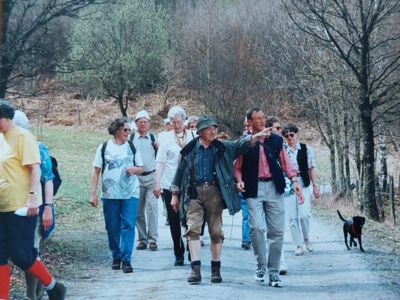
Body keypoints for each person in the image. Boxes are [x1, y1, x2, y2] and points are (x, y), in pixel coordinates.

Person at [170, 115, 269, 284]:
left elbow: (240, 145)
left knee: (216, 232)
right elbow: (179, 173)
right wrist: (174, 194)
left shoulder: (222, 147)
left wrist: (254, 138)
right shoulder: (189, 149)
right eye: (209, 128)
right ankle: (195, 269)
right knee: (192, 230)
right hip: (193, 193)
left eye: (214, 127)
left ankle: (216, 269)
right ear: (200, 131)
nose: (213, 131)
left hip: (215, 193)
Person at [0, 101, 66, 300]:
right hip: (1, 206)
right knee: (0, 255)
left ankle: (54, 287)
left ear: (4, 117)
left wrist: (33, 198)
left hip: (21, 207)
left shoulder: (22, 137)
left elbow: (35, 169)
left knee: (22, 255)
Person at [234, 108, 303, 288]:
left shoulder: (276, 140)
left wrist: (295, 181)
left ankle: (273, 273)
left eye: (264, 117)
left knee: (277, 231)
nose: (263, 121)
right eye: (258, 119)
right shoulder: (244, 143)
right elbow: (237, 167)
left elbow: (286, 163)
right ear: (249, 122)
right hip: (253, 187)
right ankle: (260, 266)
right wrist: (239, 181)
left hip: (274, 187)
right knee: (256, 228)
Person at [89, 117, 143, 273]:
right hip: (110, 194)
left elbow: (141, 167)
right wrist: (93, 193)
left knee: (128, 225)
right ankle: (116, 256)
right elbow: (96, 171)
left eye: (129, 130)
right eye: (125, 130)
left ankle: (126, 259)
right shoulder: (104, 147)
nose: (128, 133)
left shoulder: (132, 146)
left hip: (130, 192)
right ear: (117, 130)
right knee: (112, 227)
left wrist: (135, 169)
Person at [13, 110, 56, 300]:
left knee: (31, 251)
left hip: (32, 209)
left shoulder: (38, 148)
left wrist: (47, 208)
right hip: (8, 208)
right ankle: (47, 286)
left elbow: (48, 179)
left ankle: (32, 294)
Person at [153, 106, 194, 266]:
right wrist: (156, 183)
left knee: (192, 218)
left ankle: (192, 248)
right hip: (170, 185)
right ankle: (178, 252)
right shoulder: (166, 139)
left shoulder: (193, 136)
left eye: (179, 121)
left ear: (184, 120)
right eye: (173, 122)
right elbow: (160, 162)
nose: (176, 125)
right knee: (174, 219)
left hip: (190, 184)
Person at [282, 123, 320, 256]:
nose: (289, 137)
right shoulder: (283, 150)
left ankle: (306, 238)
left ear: (296, 134)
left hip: (303, 183)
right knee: (292, 217)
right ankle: (298, 245)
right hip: (288, 185)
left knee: (304, 215)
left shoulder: (305, 149)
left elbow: (312, 168)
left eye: (291, 135)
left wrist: (316, 186)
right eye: (286, 136)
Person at [131, 110, 159, 251]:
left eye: (145, 121)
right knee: (138, 210)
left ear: (149, 124)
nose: (142, 123)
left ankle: (152, 239)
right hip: (135, 179)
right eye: (140, 121)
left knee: (152, 208)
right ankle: (142, 239)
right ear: (135, 123)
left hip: (151, 177)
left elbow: (160, 158)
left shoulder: (154, 139)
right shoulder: (130, 139)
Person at [265, 116, 289, 275]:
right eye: (277, 128)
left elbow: (288, 165)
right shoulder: (262, 144)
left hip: (280, 188)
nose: (281, 131)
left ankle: (280, 260)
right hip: (263, 187)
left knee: (278, 228)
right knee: (265, 228)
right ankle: (272, 261)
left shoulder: (282, 144)